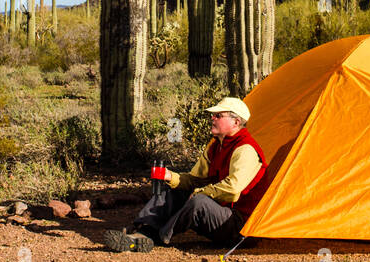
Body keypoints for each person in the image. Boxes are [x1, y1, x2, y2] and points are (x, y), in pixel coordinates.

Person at [104, 97, 267, 252]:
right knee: (175, 190)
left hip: (242, 227)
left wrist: (200, 192)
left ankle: (155, 237)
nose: (212, 118)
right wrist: (170, 177)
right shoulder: (216, 147)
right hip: (223, 215)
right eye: (213, 115)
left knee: (199, 202)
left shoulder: (245, 149)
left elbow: (232, 190)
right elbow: (195, 180)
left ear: (236, 122)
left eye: (218, 115)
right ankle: (143, 230)